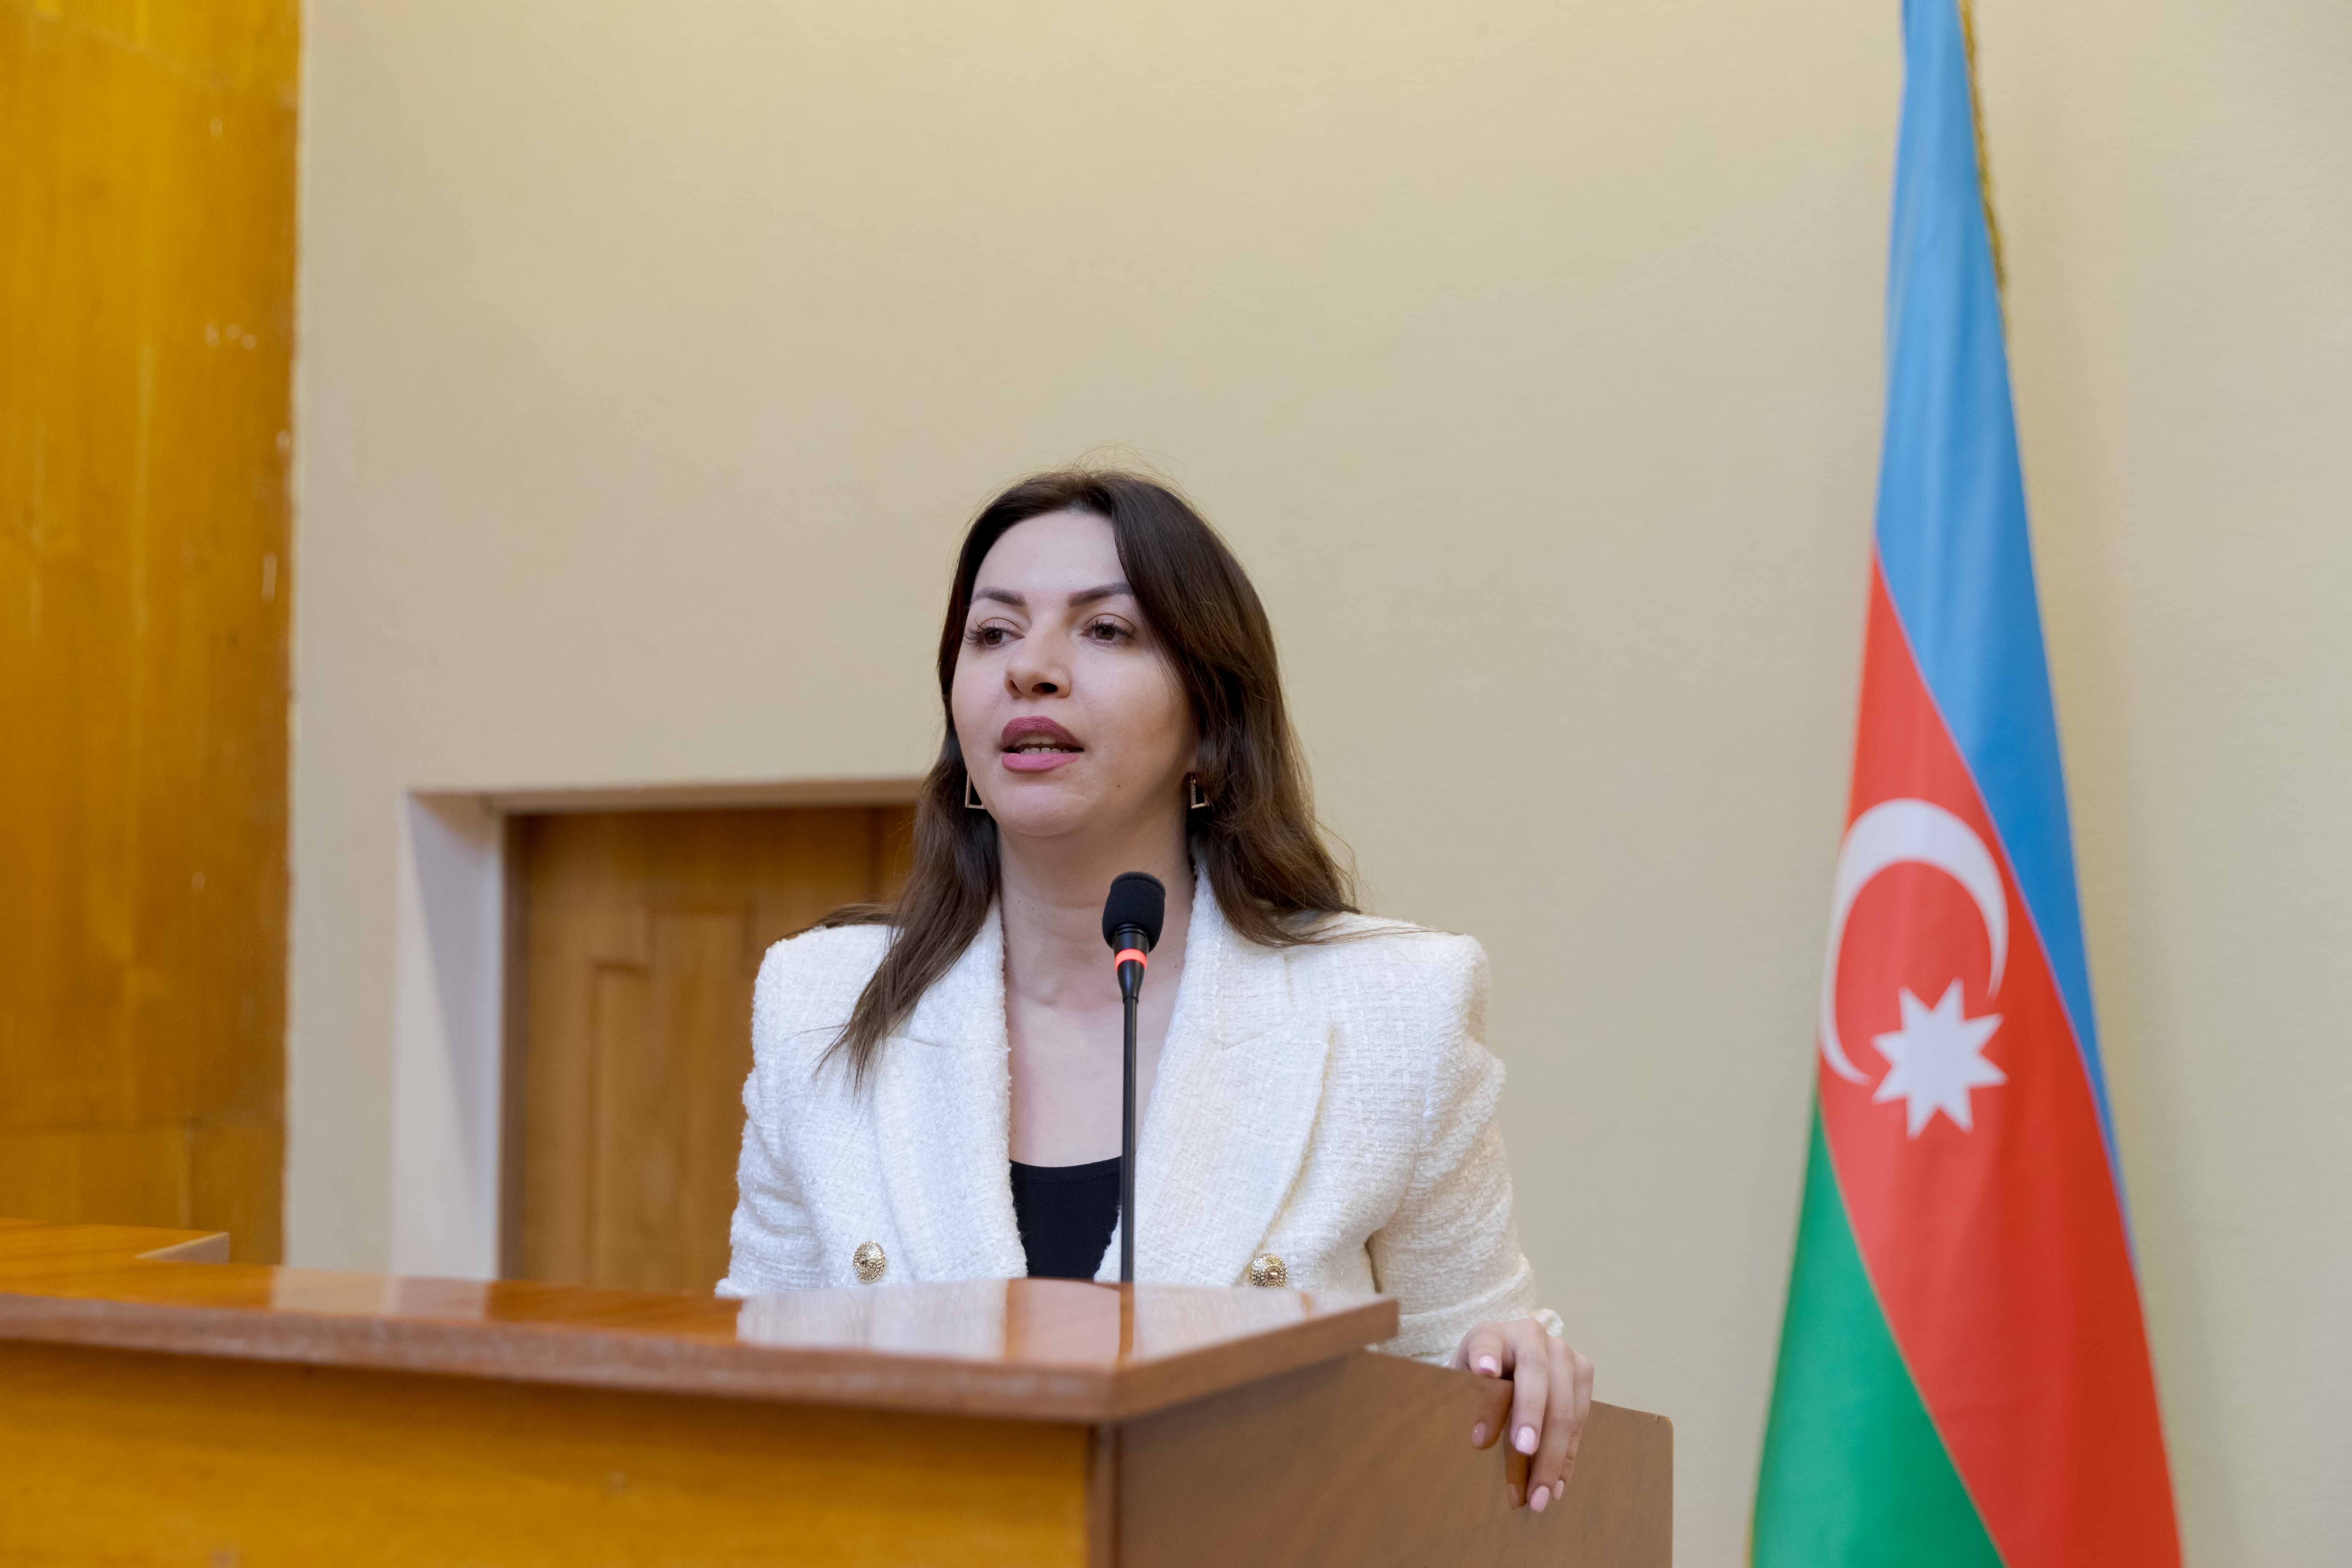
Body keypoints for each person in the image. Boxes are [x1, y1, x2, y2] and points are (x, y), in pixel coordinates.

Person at [719, 468, 1593, 1510]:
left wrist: (1511, 1364)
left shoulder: (1391, 1011)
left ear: (1210, 723)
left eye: (1106, 631)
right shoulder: (821, 1002)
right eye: (993, 634)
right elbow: (749, 1383)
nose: (1030, 669)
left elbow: (1467, 1372)